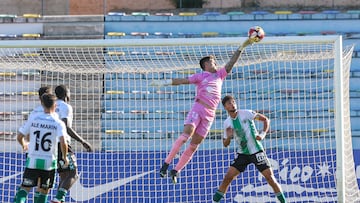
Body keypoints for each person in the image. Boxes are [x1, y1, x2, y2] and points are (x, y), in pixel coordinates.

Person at [152, 39, 254, 184]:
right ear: (206, 65)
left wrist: (241, 48)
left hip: (210, 114)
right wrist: (164, 83)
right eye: (213, 62)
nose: (216, 64)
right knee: (184, 137)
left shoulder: (219, 75)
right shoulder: (200, 76)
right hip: (198, 108)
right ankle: (166, 164)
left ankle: (176, 170)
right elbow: (182, 81)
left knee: (194, 146)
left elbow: (231, 64)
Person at [212, 95, 286, 203]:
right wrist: (228, 137)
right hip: (242, 154)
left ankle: (283, 201)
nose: (232, 104)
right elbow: (225, 144)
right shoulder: (227, 123)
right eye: (229, 103)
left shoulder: (246, 113)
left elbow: (265, 119)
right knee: (227, 177)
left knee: (270, 178)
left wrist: (262, 134)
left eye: (233, 102)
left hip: (256, 151)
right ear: (225, 107)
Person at [14, 93, 69, 203]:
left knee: (25, 189)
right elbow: (63, 142)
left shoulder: (34, 118)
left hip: (33, 160)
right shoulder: (58, 123)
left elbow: (20, 136)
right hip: (49, 163)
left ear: (42, 104)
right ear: (55, 106)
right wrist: (64, 157)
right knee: (44, 191)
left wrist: (24, 144)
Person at [51, 84, 93, 203]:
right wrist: (82, 141)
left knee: (64, 176)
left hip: (51, 144)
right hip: (62, 143)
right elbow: (66, 127)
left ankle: (58, 200)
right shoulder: (66, 107)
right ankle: (59, 198)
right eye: (69, 93)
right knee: (73, 174)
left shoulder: (51, 106)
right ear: (66, 95)